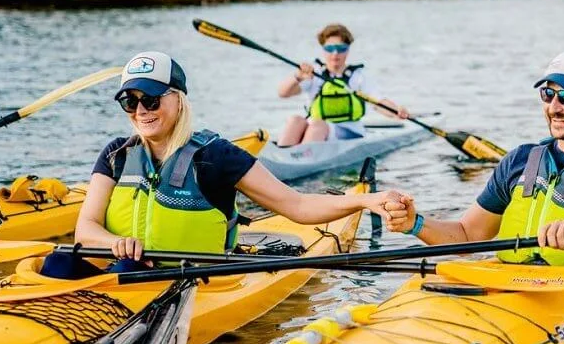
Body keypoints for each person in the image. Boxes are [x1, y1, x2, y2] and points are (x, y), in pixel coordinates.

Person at [43, 51, 403, 278]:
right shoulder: (116, 154)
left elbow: (297, 206)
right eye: (130, 101)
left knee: (129, 269)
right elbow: (86, 229)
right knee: (59, 262)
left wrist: (364, 201)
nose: (141, 111)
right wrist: (115, 242)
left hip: (187, 281)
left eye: (151, 100)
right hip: (122, 271)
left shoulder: (216, 157)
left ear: (178, 100)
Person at [384, 50, 564, 278]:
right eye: (548, 95)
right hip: (514, 287)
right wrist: (415, 224)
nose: (554, 107)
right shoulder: (520, 160)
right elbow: (468, 235)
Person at [276, 24, 409, 147]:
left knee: (318, 125)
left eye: (341, 49)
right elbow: (283, 93)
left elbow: (378, 103)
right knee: (295, 120)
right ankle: (282, 158)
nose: (335, 53)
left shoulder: (359, 76)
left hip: (350, 132)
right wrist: (297, 77)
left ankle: (301, 160)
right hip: (317, 131)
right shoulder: (313, 74)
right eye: (329, 49)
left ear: (348, 49)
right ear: (323, 49)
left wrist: (396, 111)